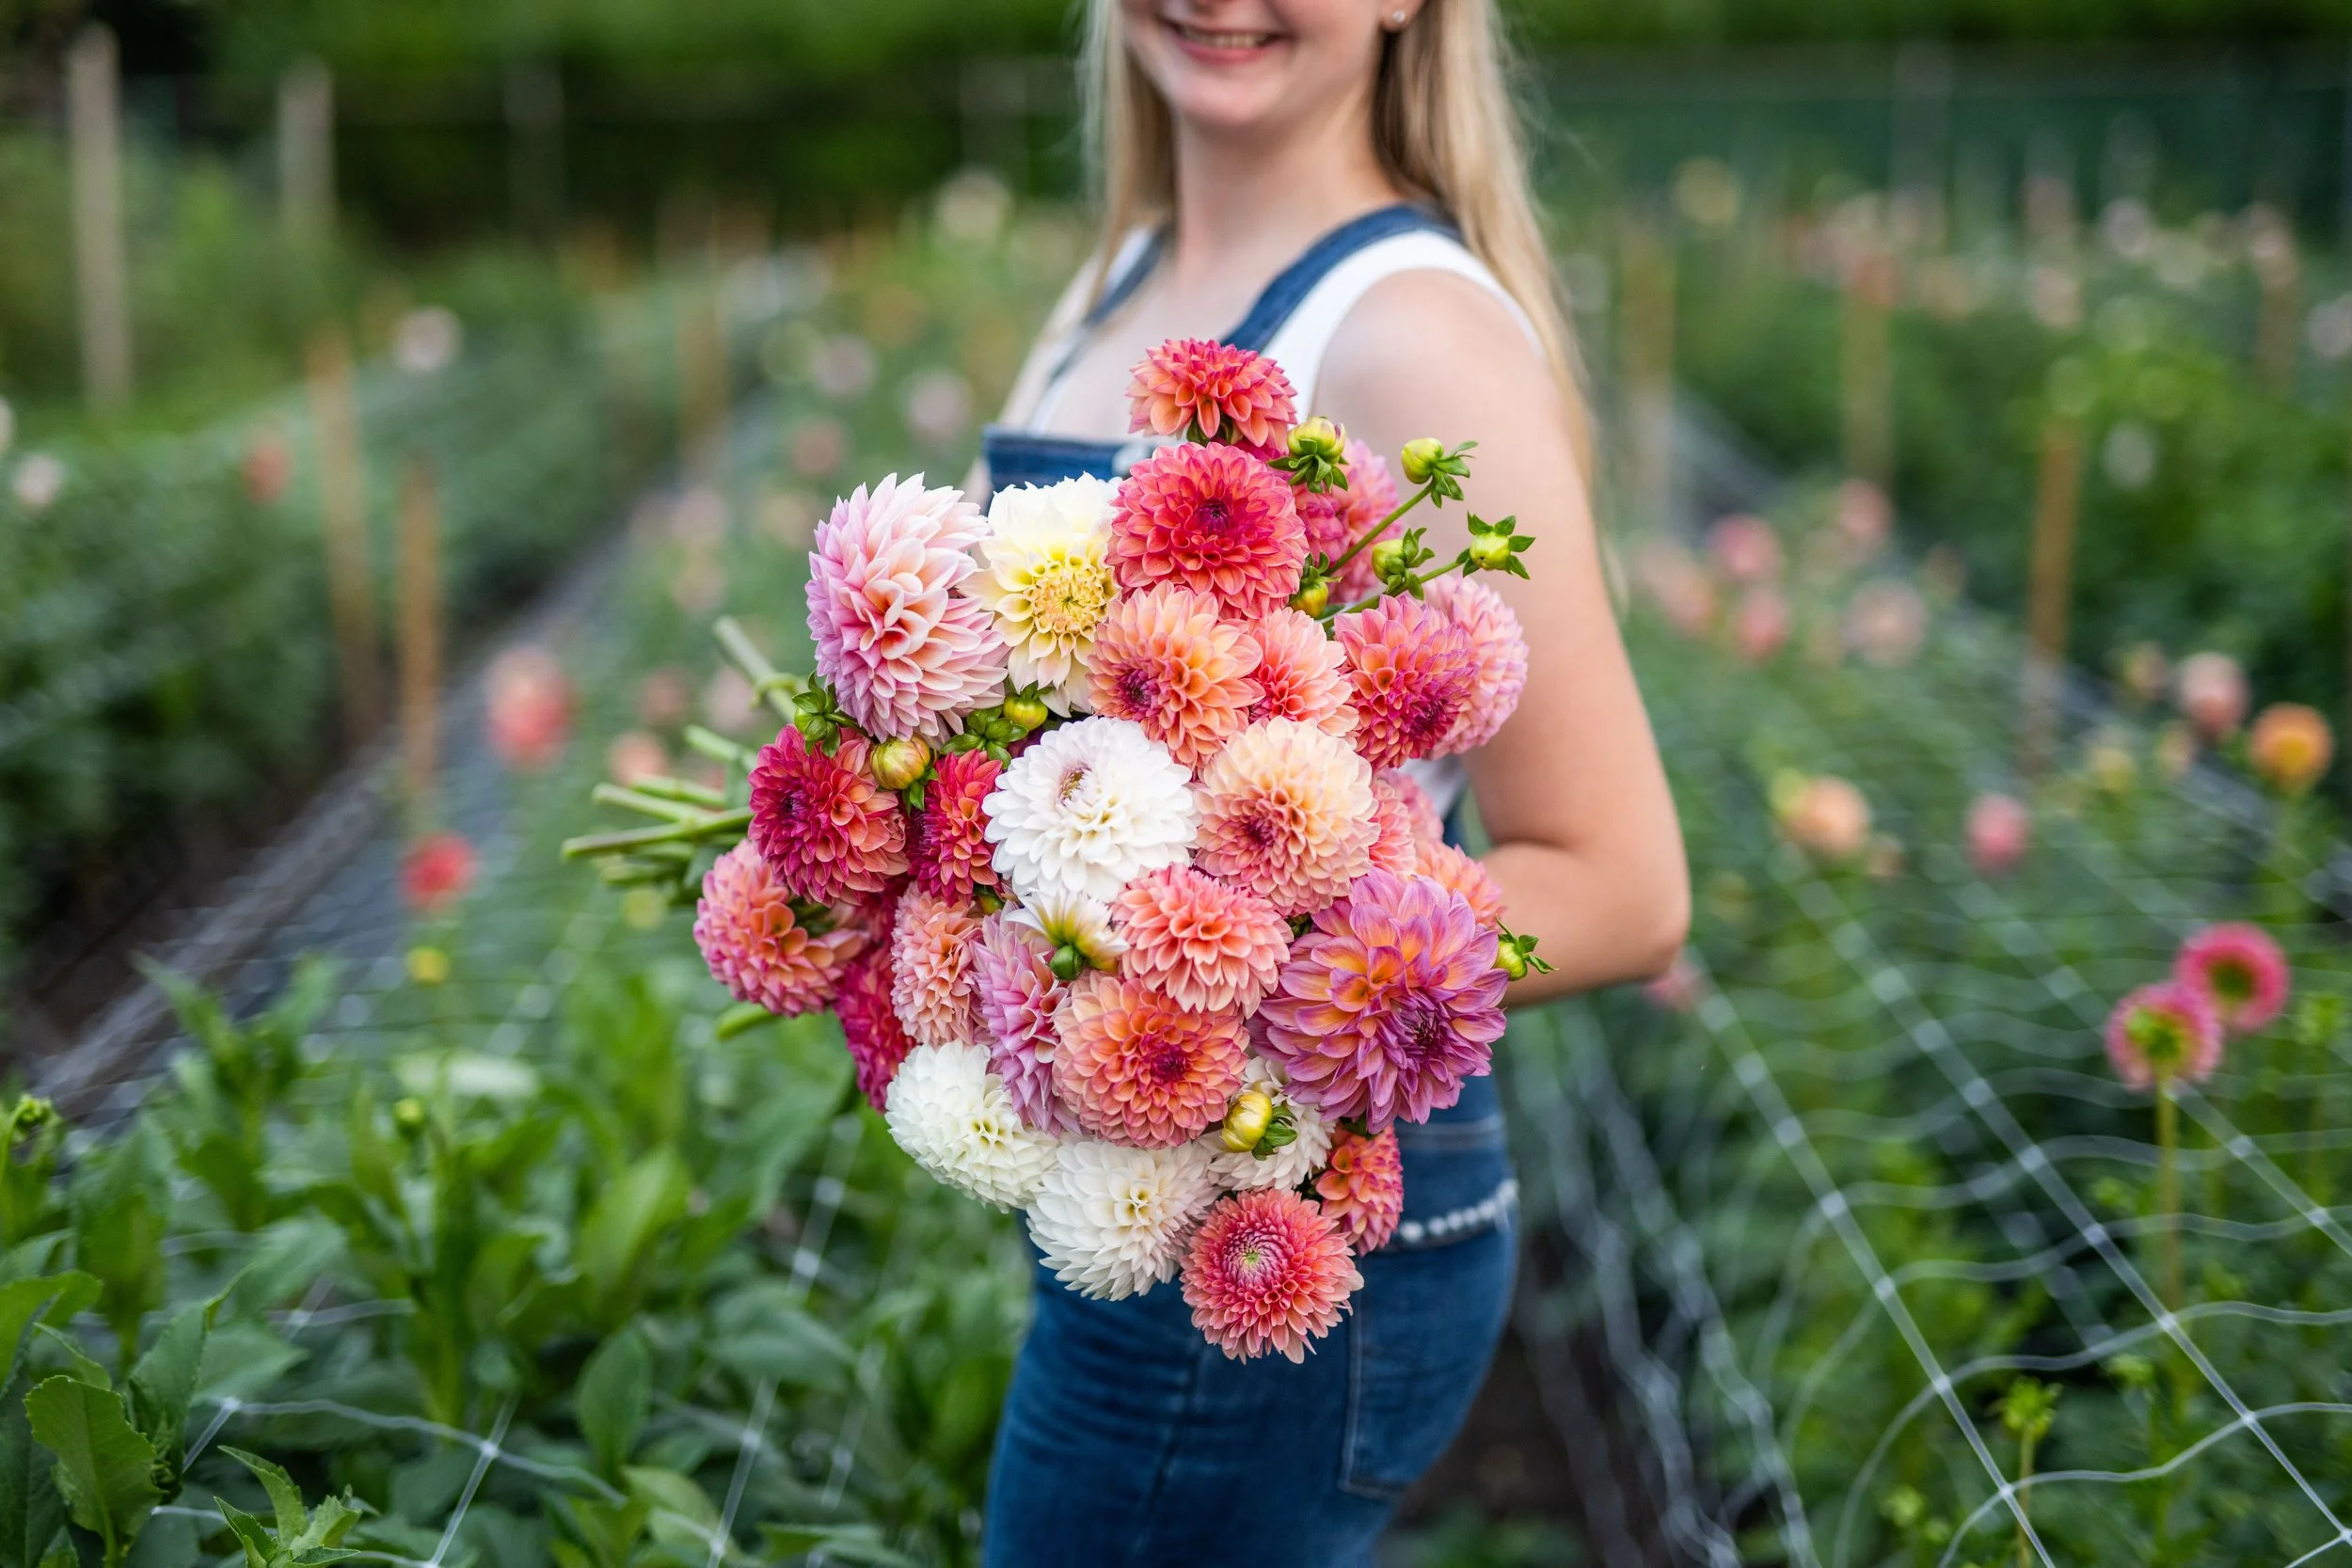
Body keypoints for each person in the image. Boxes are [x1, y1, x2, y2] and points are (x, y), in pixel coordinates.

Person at [977, 2, 1690, 1561]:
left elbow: (1623, 882)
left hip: (1281, 1209)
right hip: (1135, 1170)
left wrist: (1228, 971)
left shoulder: (1408, 333)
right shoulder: (1119, 277)